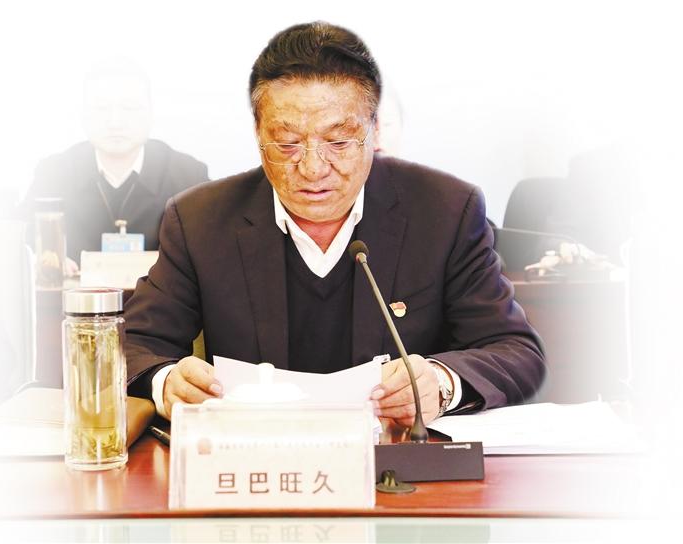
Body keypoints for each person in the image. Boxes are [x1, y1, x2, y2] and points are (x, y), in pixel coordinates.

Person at [125, 22, 545, 428]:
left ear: (374, 131)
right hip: (255, 457)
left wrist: (440, 382)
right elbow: (134, 344)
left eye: (339, 142)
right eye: (287, 143)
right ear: (258, 134)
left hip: (394, 461)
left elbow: (515, 350)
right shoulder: (200, 220)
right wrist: (166, 383)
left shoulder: (445, 210)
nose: (312, 168)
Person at [18, 61, 209, 271]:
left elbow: (216, 241)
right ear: (83, 116)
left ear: (151, 115)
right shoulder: (54, 173)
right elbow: (20, 237)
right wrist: (44, 258)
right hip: (74, 292)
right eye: (101, 108)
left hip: (161, 292)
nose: (115, 122)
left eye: (130, 108)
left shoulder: (188, 176)